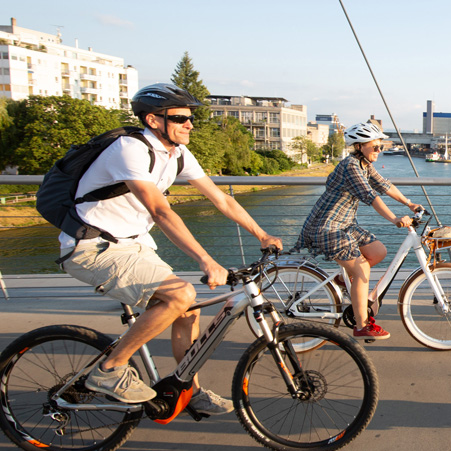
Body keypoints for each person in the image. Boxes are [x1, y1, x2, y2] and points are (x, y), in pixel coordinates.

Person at [60, 83, 282, 412]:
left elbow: (220, 198)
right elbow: (160, 211)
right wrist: (206, 260)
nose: (189, 124)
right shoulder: (129, 149)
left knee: (187, 312)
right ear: (153, 120)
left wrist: (261, 234)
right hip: (92, 247)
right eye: (180, 118)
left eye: (191, 118)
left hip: (133, 246)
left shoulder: (177, 154)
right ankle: (109, 371)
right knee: (181, 295)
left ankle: (186, 392)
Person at [294, 122, 423, 340]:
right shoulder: (350, 167)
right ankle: (362, 325)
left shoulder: (364, 165)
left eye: (381, 146)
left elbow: (384, 185)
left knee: (378, 252)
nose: (379, 151)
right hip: (326, 227)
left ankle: (344, 280)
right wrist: (394, 218)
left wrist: (409, 203)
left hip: (344, 224)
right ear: (361, 145)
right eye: (375, 147)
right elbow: (371, 196)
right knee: (363, 269)